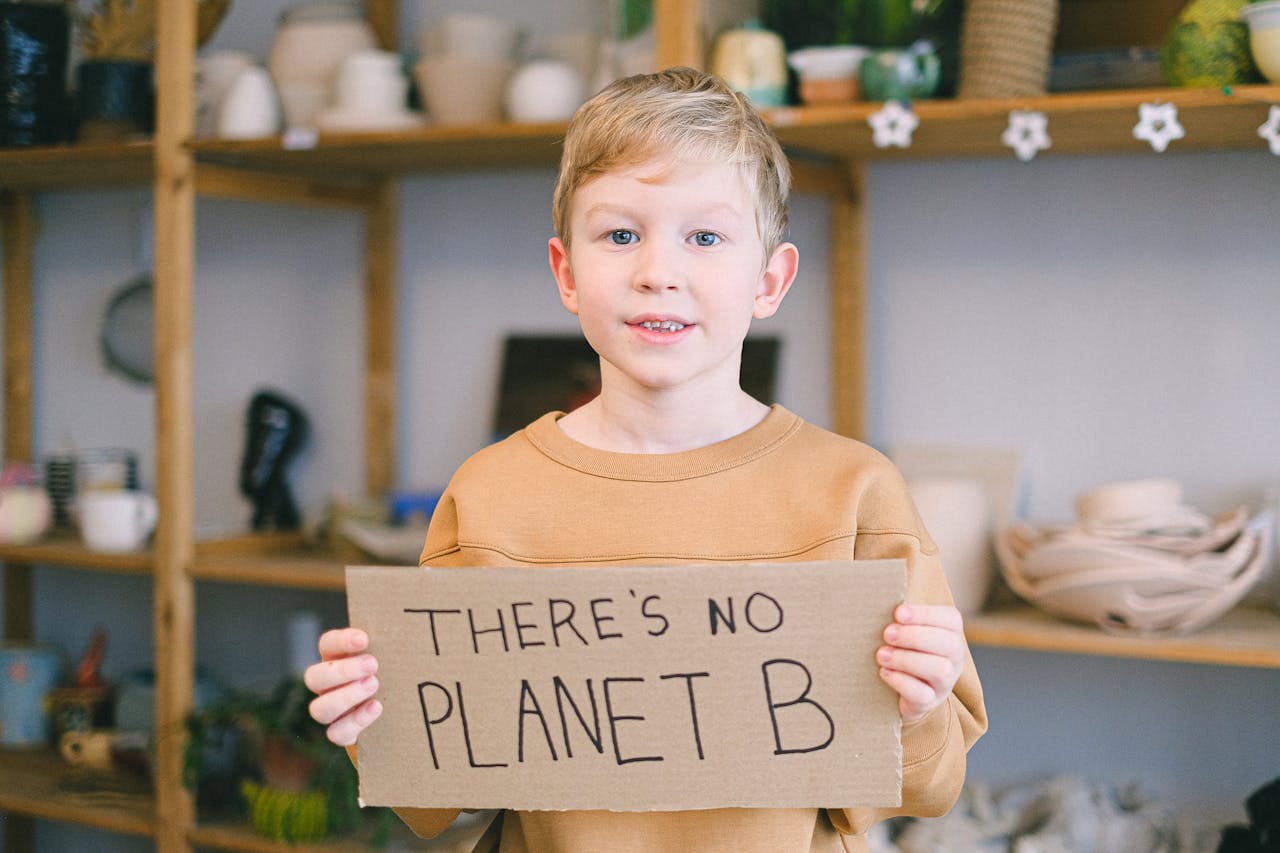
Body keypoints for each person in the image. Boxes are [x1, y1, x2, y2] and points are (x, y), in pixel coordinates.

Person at [305, 66, 987, 853]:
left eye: (705, 237)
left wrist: (922, 700)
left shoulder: (855, 491)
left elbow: (931, 786)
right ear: (566, 271)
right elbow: (436, 798)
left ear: (770, 279)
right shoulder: (491, 495)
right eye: (621, 234)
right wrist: (373, 719)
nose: (658, 272)